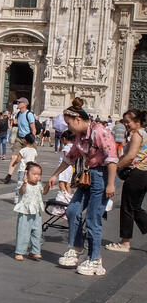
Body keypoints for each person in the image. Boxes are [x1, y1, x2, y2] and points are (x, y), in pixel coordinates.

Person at [46, 97, 118, 277]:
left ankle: (95, 260)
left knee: (93, 220)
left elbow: (112, 158)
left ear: (78, 119)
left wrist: (110, 184)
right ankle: (77, 247)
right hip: (89, 177)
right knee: (72, 211)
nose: (68, 128)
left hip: (101, 176)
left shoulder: (99, 132)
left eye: (69, 124)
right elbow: (70, 157)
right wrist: (55, 175)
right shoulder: (80, 136)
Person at [105, 109, 147, 253]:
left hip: (136, 175)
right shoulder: (146, 133)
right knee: (135, 208)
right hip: (144, 174)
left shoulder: (137, 134)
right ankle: (125, 240)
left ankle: (124, 242)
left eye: (127, 121)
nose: (125, 124)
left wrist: (115, 167)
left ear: (137, 122)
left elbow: (130, 156)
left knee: (128, 208)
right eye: (124, 121)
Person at [14, 161, 49, 261]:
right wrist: (24, 183)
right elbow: (21, 192)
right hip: (25, 213)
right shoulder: (23, 184)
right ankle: (20, 252)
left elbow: (44, 192)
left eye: (39, 174)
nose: (37, 177)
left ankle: (35, 251)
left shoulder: (38, 185)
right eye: (34, 174)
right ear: (26, 173)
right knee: (23, 232)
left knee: (37, 232)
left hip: (36, 213)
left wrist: (48, 185)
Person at [1, 97, 36, 184]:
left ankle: (34, 176)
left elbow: (33, 129)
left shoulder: (29, 114)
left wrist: (31, 141)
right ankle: (8, 176)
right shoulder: (19, 114)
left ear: (24, 104)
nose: (18, 104)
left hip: (28, 139)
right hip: (19, 138)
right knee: (14, 157)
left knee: (31, 160)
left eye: (19, 102)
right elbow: (16, 123)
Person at [14, 133, 37, 202]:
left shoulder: (23, 150)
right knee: (29, 184)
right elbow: (35, 160)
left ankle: (17, 198)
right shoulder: (34, 150)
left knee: (20, 183)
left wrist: (14, 163)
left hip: (23, 169)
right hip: (31, 171)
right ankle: (27, 198)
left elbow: (18, 159)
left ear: (25, 141)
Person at [57, 130, 75, 195]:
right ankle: (69, 198)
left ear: (64, 139)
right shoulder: (73, 146)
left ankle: (64, 197)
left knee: (61, 183)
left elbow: (67, 155)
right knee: (68, 185)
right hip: (70, 168)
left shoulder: (67, 146)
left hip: (64, 168)